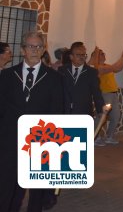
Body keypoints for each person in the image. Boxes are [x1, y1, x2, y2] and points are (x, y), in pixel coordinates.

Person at [0, 32, 63, 212]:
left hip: (39, 143)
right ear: (22, 50)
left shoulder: (54, 78)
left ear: (43, 50)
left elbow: (57, 112)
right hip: (9, 143)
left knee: (36, 193)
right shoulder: (7, 76)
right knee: (7, 190)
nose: (34, 50)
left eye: (38, 46)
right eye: (30, 46)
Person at [59, 42, 108, 144]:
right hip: (65, 112)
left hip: (83, 112)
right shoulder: (62, 70)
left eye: (84, 55)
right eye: (78, 55)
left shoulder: (91, 72)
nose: (82, 57)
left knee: (80, 143)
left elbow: (96, 93)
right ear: (71, 56)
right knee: (65, 142)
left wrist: (101, 110)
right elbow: (57, 91)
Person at [88, 46, 123, 145]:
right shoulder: (98, 68)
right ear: (96, 56)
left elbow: (118, 68)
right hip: (105, 94)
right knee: (101, 117)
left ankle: (109, 136)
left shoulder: (106, 66)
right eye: (101, 54)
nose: (104, 55)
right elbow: (115, 67)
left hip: (113, 94)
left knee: (116, 116)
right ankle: (94, 137)